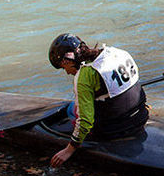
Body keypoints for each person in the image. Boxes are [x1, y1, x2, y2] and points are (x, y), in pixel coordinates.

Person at [47, 34, 149, 167]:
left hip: (115, 130)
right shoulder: (116, 53)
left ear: (66, 61)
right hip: (141, 115)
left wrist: (69, 150)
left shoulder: (83, 76)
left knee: (72, 110)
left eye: (63, 67)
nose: (66, 72)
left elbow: (85, 122)